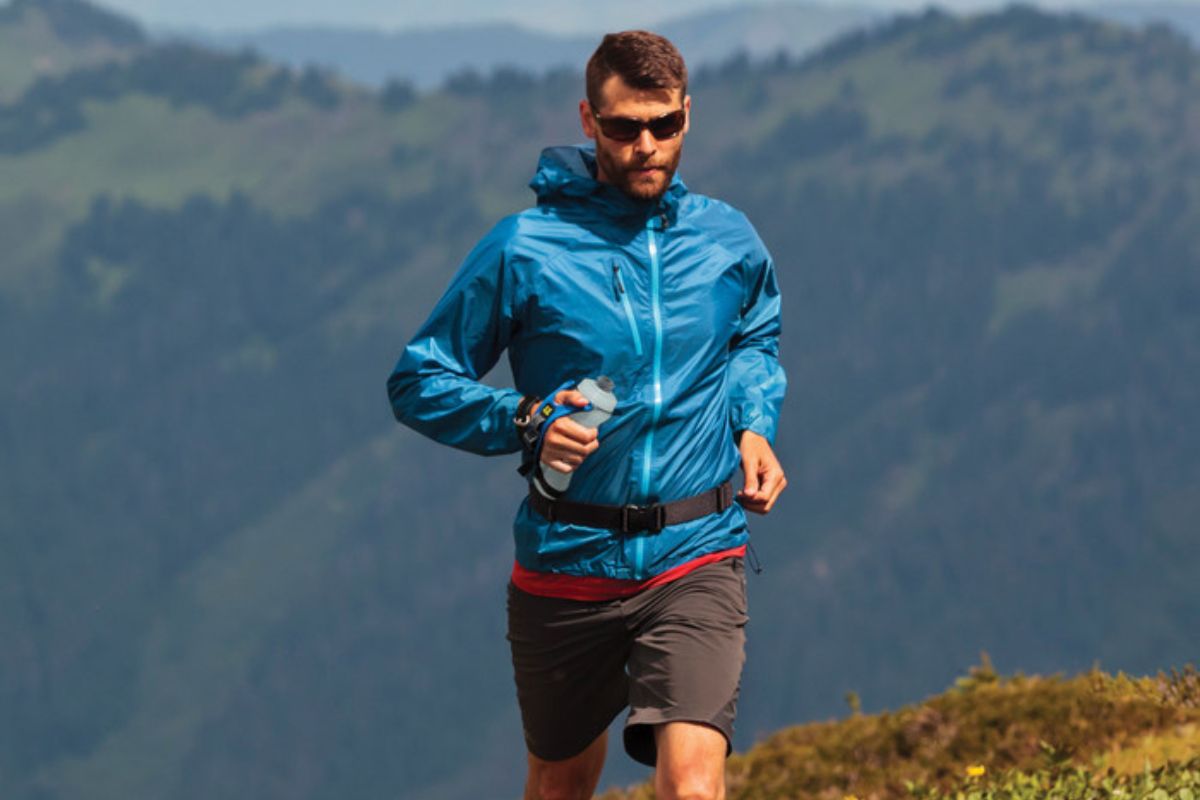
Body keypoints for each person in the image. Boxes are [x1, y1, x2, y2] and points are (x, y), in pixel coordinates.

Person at [387, 30, 787, 800]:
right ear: (587, 119)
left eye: (663, 125)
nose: (646, 145)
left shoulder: (728, 239)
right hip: (568, 559)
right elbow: (418, 379)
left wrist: (753, 424)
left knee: (693, 788)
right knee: (561, 783)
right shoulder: (525, 249)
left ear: (687, 116)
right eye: (623, 127)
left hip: (697, 548)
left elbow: (753, 336)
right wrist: (523, 418)